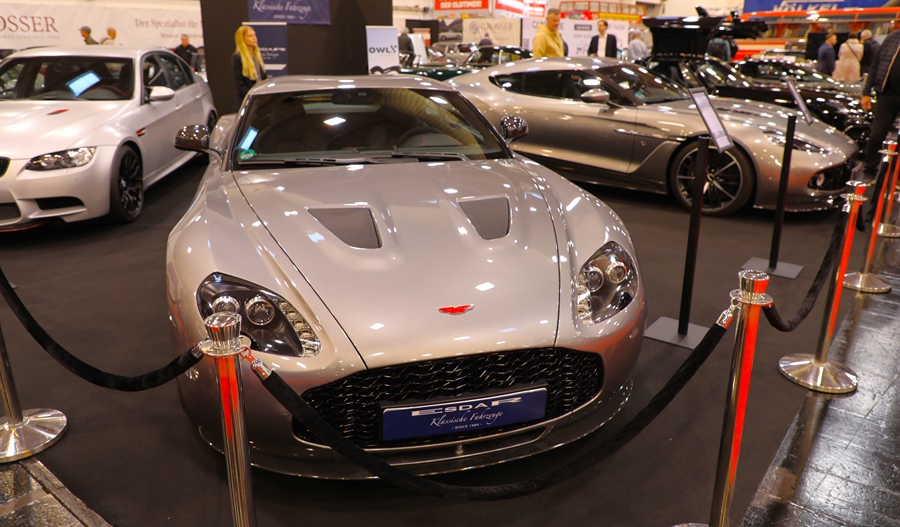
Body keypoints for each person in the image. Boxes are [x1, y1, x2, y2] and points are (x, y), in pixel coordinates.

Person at [858, 22, 900, 230]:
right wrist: (866, 92)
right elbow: (875, 65)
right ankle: (870, 170)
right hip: (887, 96)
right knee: (876, 135)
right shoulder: (892, 38)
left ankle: (896, 179)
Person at [232, 26, 267, 110]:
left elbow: (263, 78)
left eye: (254, 35)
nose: (254, 38)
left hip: (261, 102)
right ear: (242, 39)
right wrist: (253, 97)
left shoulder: (257, 57)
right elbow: (240, 84)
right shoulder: (237, 58)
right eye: (250, 36)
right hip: (247, 103)